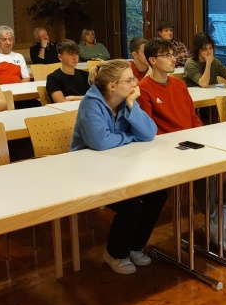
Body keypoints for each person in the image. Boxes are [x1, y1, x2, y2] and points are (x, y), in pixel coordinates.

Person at [138, 38, 226, 252]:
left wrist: (202, 136)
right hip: (167, 147)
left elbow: (193, 117)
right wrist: (183, 141)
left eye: (173, 54)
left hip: (191, 140)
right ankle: (212, 219)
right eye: (167, 55)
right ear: (152, 60)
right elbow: (149, 129)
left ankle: (219, 219)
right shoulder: (144, 89)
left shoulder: (179, 85)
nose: (173, 59)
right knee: (203, 169)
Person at [71, 60, 166, 274]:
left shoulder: (125, 100)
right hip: (90, 171)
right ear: (112, 86)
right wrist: (129, 137)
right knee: (132, 205)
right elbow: (100, 142)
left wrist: (132, 105)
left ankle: (134, 247)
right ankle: (115, 253)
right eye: (129, 80)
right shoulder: (91, 103)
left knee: (157, 194)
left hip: (119, 166)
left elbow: (149, 133)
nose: (135, 83)